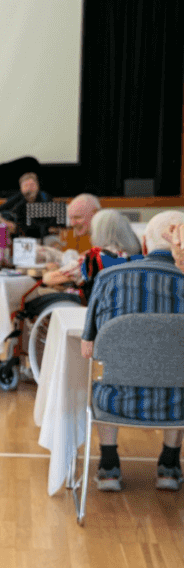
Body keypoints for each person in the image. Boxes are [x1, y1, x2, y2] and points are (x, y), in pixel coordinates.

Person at [81, 210, 184, 492]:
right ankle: (169, 466)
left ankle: (109, 466)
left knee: (105, 370)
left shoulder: (107, 277)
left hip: (116, 402)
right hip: (178, 405)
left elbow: (88, 346)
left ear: (145, 244)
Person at [42, 209, 141, 303]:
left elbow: (49, 279)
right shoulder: (138, 255)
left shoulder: (96, 257)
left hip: (96, 310)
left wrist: (52, 269)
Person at [0, 172, 52, 239]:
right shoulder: (20, 197)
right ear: (21, 188)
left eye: (32, 185)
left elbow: (40, 225)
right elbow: (0, 208)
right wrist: (2, 220)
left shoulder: (44, 198)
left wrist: (15, 227)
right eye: (26, 186)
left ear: (37, 186)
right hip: (21, 234)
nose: (29, 189)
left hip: (40, 235)